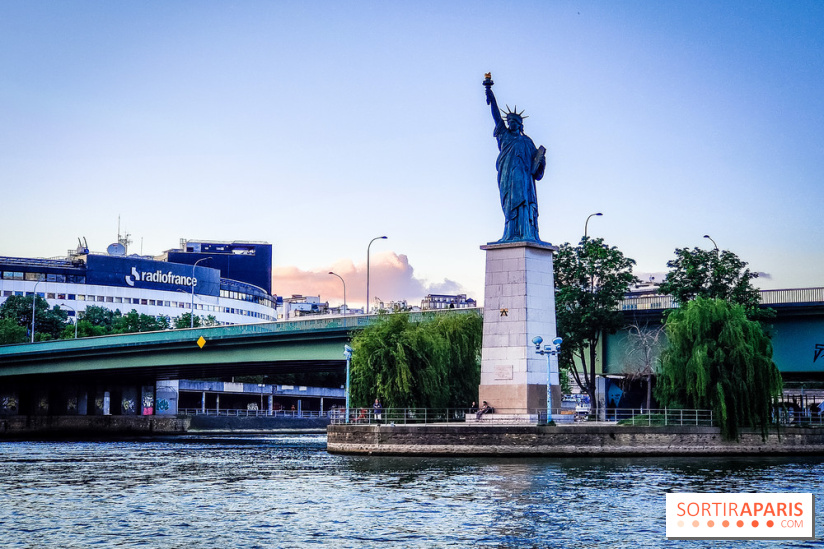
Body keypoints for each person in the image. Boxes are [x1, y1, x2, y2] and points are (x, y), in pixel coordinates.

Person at [484, 75, 546, 242]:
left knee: (523, 203)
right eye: (509, 121)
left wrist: (541, 160)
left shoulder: (527, 141)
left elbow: (536, 166)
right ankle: (510, 233)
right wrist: (491, 94)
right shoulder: (504, 135)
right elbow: (496, 116)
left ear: (520, 124)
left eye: (514, 122)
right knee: (510, 204)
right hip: (507, 177)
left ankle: (526, 232)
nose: (511, 123)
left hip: (523, 178)